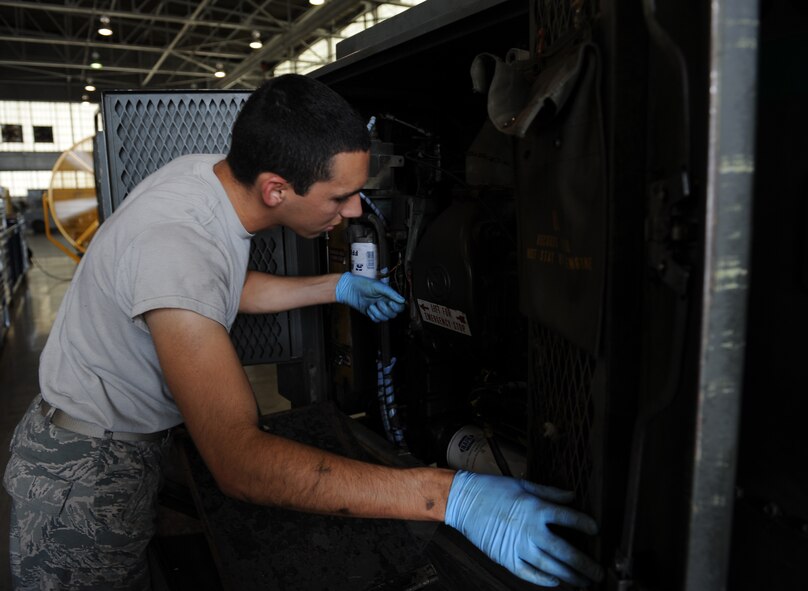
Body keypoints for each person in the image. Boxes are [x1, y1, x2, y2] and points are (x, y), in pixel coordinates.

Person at [3, 74, 604, 590]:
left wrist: (336, 286)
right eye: (339, 197)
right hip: (83, 475)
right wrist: (451, 497)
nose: (351, 212)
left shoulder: (201, 180)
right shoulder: (175, 247)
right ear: (275, 189)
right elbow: (239, 462)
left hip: (119, 444)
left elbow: (219, 288)